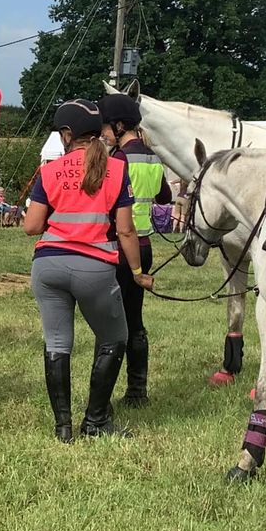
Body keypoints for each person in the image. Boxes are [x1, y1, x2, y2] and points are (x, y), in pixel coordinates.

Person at [23, 99, 154, 442]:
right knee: (114, 339)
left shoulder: (49, 171)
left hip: (48, 265)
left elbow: (31, 226)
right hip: (95, 267)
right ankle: (95, 420)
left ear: (67, 135)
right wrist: (138, 271)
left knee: (57, 343)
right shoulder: (115, 169)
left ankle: (63, 427)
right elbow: (126, 230)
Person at [97, 93, 175, 407]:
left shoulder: (117, 160)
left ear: (118, 125)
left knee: (114, 321)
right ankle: (137, 390)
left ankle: (111, 390)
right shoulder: (154, 158)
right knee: (135, 319)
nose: (102, 134)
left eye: (104, 128)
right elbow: (164, 197)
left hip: (119, 246)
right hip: (144, 246)